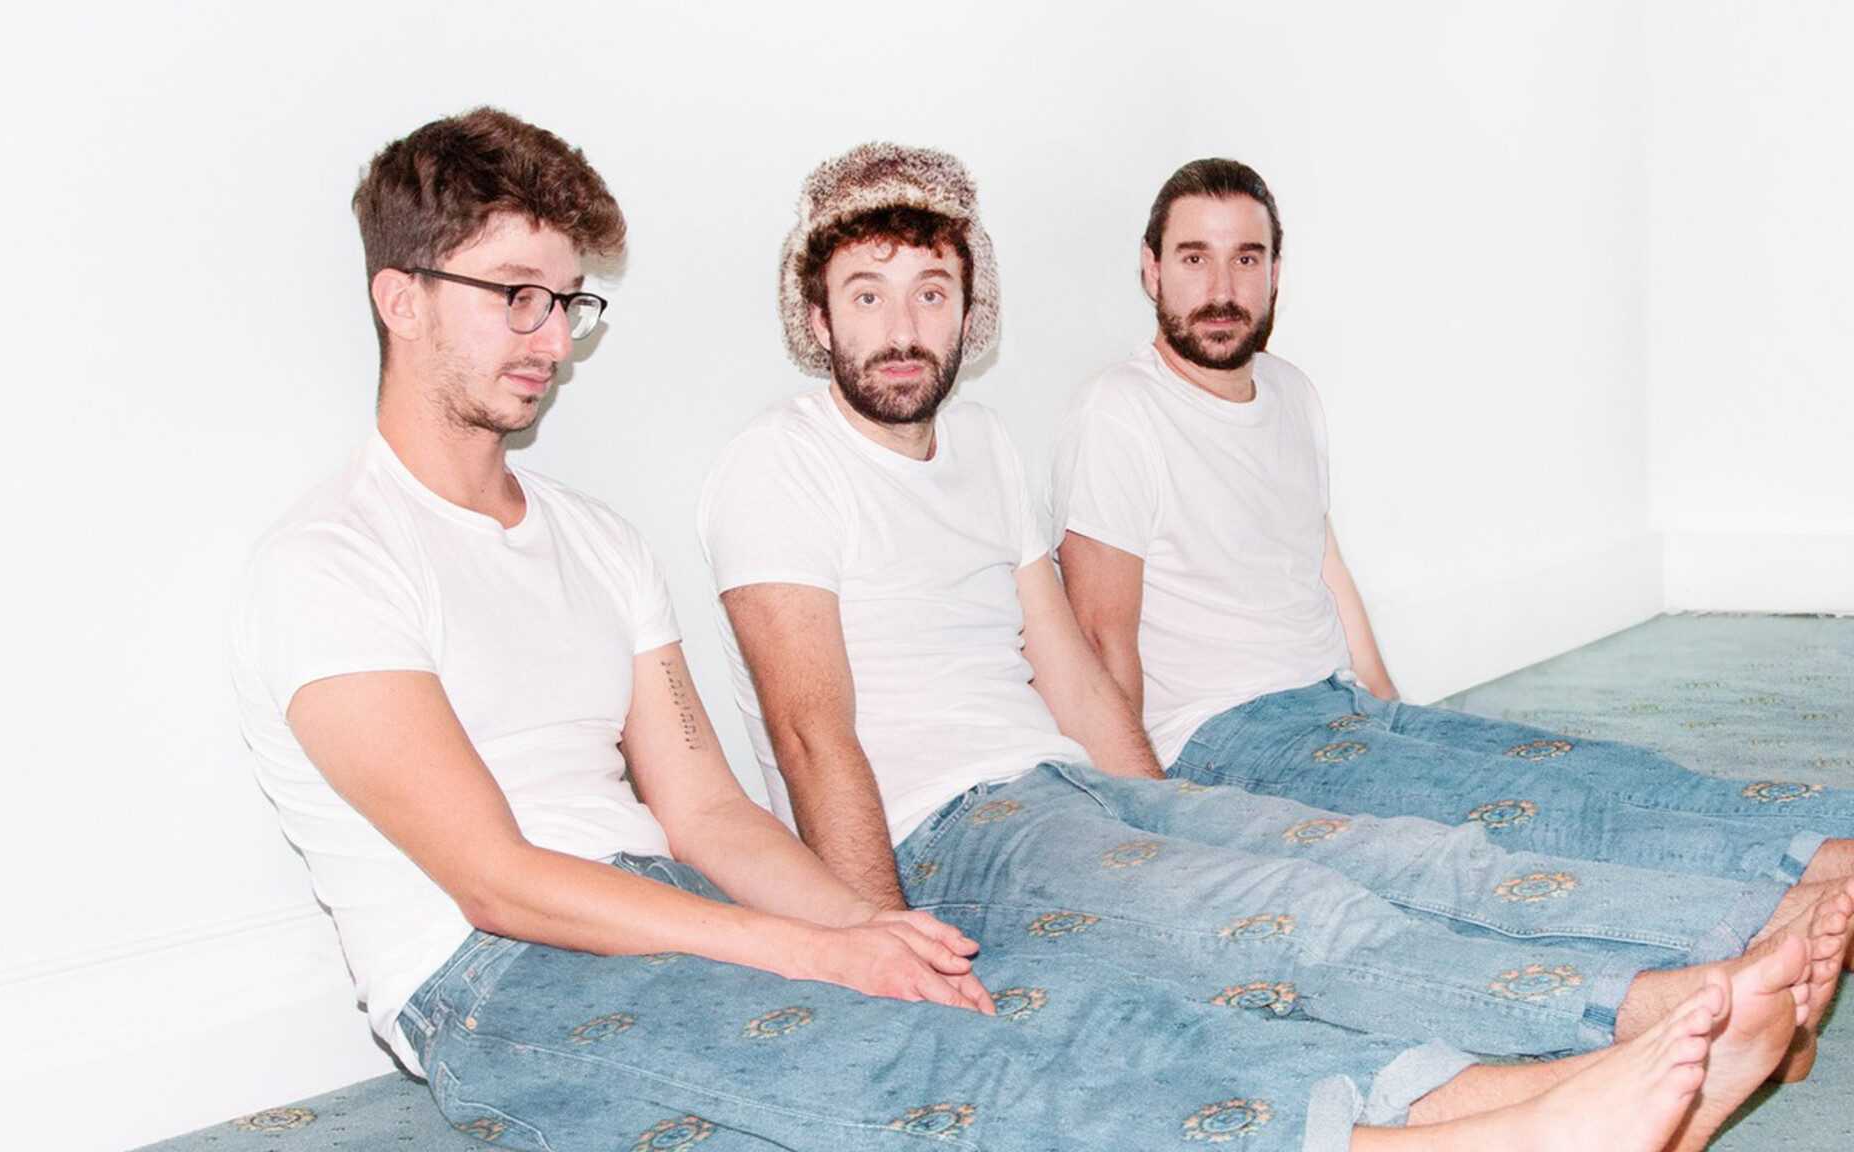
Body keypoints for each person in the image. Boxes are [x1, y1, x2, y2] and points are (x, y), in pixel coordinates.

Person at [228, 108, 1809, 1152]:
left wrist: (867, 933)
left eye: (567, 303)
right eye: (514, 295)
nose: (548, 339)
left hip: (667, 892)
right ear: (398, 297)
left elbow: (703, 806)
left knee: (1057, 1008)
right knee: (941, 1077)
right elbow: (498, 878)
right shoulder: (332, 563)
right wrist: (822, 938)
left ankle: (1496, 1100)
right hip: (497, 984)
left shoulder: (588, 538)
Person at [697, 142, 1853, 1080]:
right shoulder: (777, 465)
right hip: (945, 834)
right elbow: (809, 735)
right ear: (816, 312)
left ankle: (1739, 934)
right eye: (866, 296)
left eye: (929, 293)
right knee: (1286, 910)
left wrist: (1164, 812)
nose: (900, 329)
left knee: (1390, 854)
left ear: (967, 311)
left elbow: (1067, 666)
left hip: (1067, 783)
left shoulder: (986, 448)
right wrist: (874, 945)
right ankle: (1650, 1007)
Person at [1048, 158, 1854, 1072]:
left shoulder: (1292, 394)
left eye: (1248, 258)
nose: (1222, 288)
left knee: (1593, 769)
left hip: (1338, 707)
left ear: (1278, 272)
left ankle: (1825, 854)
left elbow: (1320, 563)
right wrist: (1159, 820)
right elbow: (1100, 639)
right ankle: (1762, 943)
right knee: (1539, 822)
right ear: (1151, 270)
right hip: (1228, 742)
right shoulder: (1119, 412)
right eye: (1194, 259)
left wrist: (1396, 709)